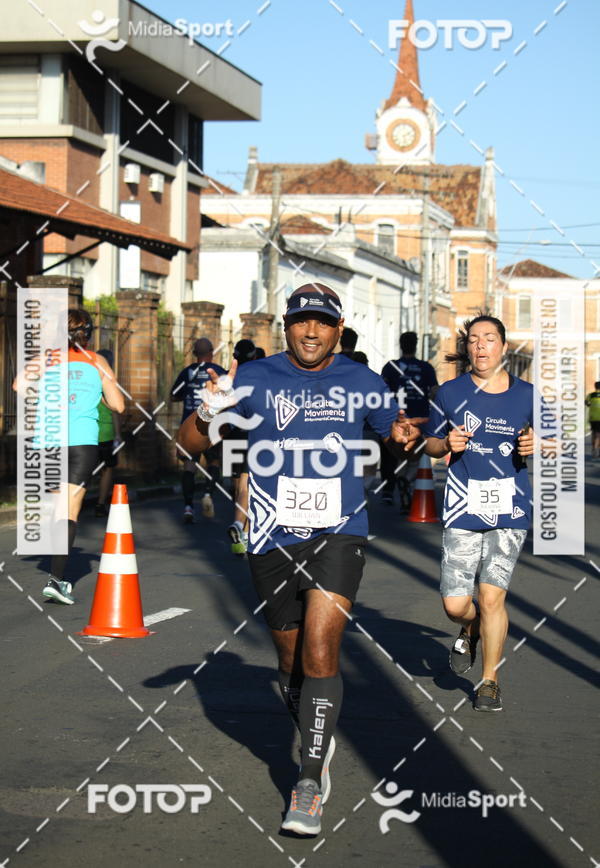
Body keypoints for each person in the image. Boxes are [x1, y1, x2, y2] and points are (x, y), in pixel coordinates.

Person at [179, 283, 419, 834]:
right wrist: (209, 410)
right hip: (271, 535)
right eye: (301, 321)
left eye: (323, 323)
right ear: (285, 326)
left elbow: (400, 436)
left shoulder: (362, 380)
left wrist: (409, 437)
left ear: (338, 330)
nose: (311, 331)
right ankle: (319, 733)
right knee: (290, 663)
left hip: (338, 529)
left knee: (319, 647)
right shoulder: (255, 377)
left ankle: (308, 780)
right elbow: (188, 445)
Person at [422, 314, 534, 712]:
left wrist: (536, 444)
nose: (480, 346)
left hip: (510, 506)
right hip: (462, 507)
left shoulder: (527, 395)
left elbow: (553, 444)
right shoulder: (450, 393)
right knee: (456, 605)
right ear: (467, 347)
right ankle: (469, 628)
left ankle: (490, 680)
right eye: (473, 340)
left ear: (503, 346)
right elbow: (431, 446)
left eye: (489, 338)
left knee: (491, 597)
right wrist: (445, 443)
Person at [14, 309, 125, 604]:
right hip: (80, 444)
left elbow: (18, 385)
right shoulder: (96, 361)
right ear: (87, 334)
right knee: (69, 512)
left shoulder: (48, 359)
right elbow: (119, 405)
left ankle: (55, 569)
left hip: (47, 442)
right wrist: (99, 393)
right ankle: (57, 580)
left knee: (57, 507)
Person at [380, 331, 438, 509]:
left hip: (397, 419)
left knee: (396, 454)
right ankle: (407, 482)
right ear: (416, 345)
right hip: (419, 419)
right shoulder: (426, 368)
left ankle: (393, 486)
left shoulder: (391, 367)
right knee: (415, 456)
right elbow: (435, 391)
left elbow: (381, 392)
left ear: (400, 344)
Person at [171, 338, 226, 522]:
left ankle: (188, 507)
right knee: (214, 462)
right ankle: (208, 494)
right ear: (211, 352)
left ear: (195, 354)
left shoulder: (187, 372)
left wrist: (188, 395)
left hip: (190, 426)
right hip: (212, 427)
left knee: (189, 466)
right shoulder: (217, 372)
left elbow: (173, 395)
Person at [226, 339, 257, 555]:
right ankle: (243, 528)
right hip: (252, 434)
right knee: (246, 485)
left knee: (236, 484)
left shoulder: (232, 376)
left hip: (230, 432)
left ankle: (239, 526)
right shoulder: (259, 375)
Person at [94, 349, 122, 517]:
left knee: (83, 469)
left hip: (85, 432)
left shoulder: (86, 379)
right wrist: (118, 434)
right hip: (105, 432)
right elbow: (115, 410)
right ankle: (100, 504)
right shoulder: (109, 382)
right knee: (107, 469)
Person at [585, 381, 600, 458]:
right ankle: (596, 449)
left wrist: (591, 405)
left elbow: (586, 403)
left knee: (594, 433)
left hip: (592, 417)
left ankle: (594, 448)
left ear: (595, 387)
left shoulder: (591, 395)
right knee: (598, 434)